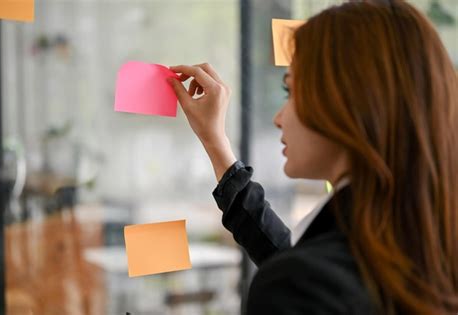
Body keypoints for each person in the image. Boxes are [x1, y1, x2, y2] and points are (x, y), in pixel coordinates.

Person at [167, 0, 458, 314]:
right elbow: (302, 262)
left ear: (349, 103)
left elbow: (304, 279)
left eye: (291, 92)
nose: (279, 117)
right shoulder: (427, 247)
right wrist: (216, 143)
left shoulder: (303, 286)